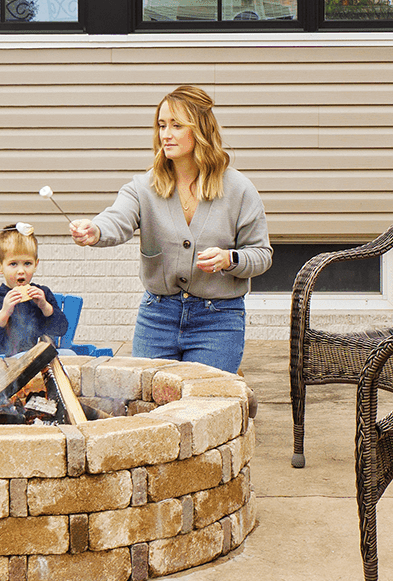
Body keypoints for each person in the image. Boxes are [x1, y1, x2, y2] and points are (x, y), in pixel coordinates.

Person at [69, 84, 271, 371]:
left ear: (199, 129)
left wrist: (230, 259)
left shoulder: (239, 189)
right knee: (148, 405)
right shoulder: (144, 187)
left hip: (219, 320)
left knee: (206, 404)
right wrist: (95, 230)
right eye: (162, 125)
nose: (166, 134)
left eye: (177, 125)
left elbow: (261, 255)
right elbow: (117, 218)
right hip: (157, 318)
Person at [0, 222, 70, 355]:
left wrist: (45, 306)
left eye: (27, 263)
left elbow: (61, 329)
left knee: (69, 355)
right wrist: (4, 313)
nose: (21, 271)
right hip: (8, 363)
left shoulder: (42, 294)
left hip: (41, 359)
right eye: (13, 264)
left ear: (36, 264)